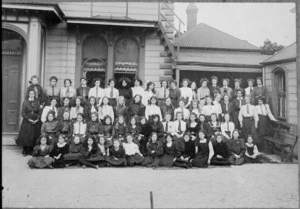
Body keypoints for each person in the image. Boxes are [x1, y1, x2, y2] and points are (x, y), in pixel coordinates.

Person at [16, 90, 42, 156]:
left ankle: (30, 149)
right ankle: (25, 149)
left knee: (34, 135)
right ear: (28, 94)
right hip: (27, 121)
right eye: (30, 93)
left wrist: (37, 119)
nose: (32, 95)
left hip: (35, 121)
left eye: (33, 93)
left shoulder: (37, 102)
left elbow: (39, 112)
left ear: (34, 94)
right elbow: (23, 113)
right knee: (26, 135)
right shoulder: (25, 102)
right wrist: (28, 119)